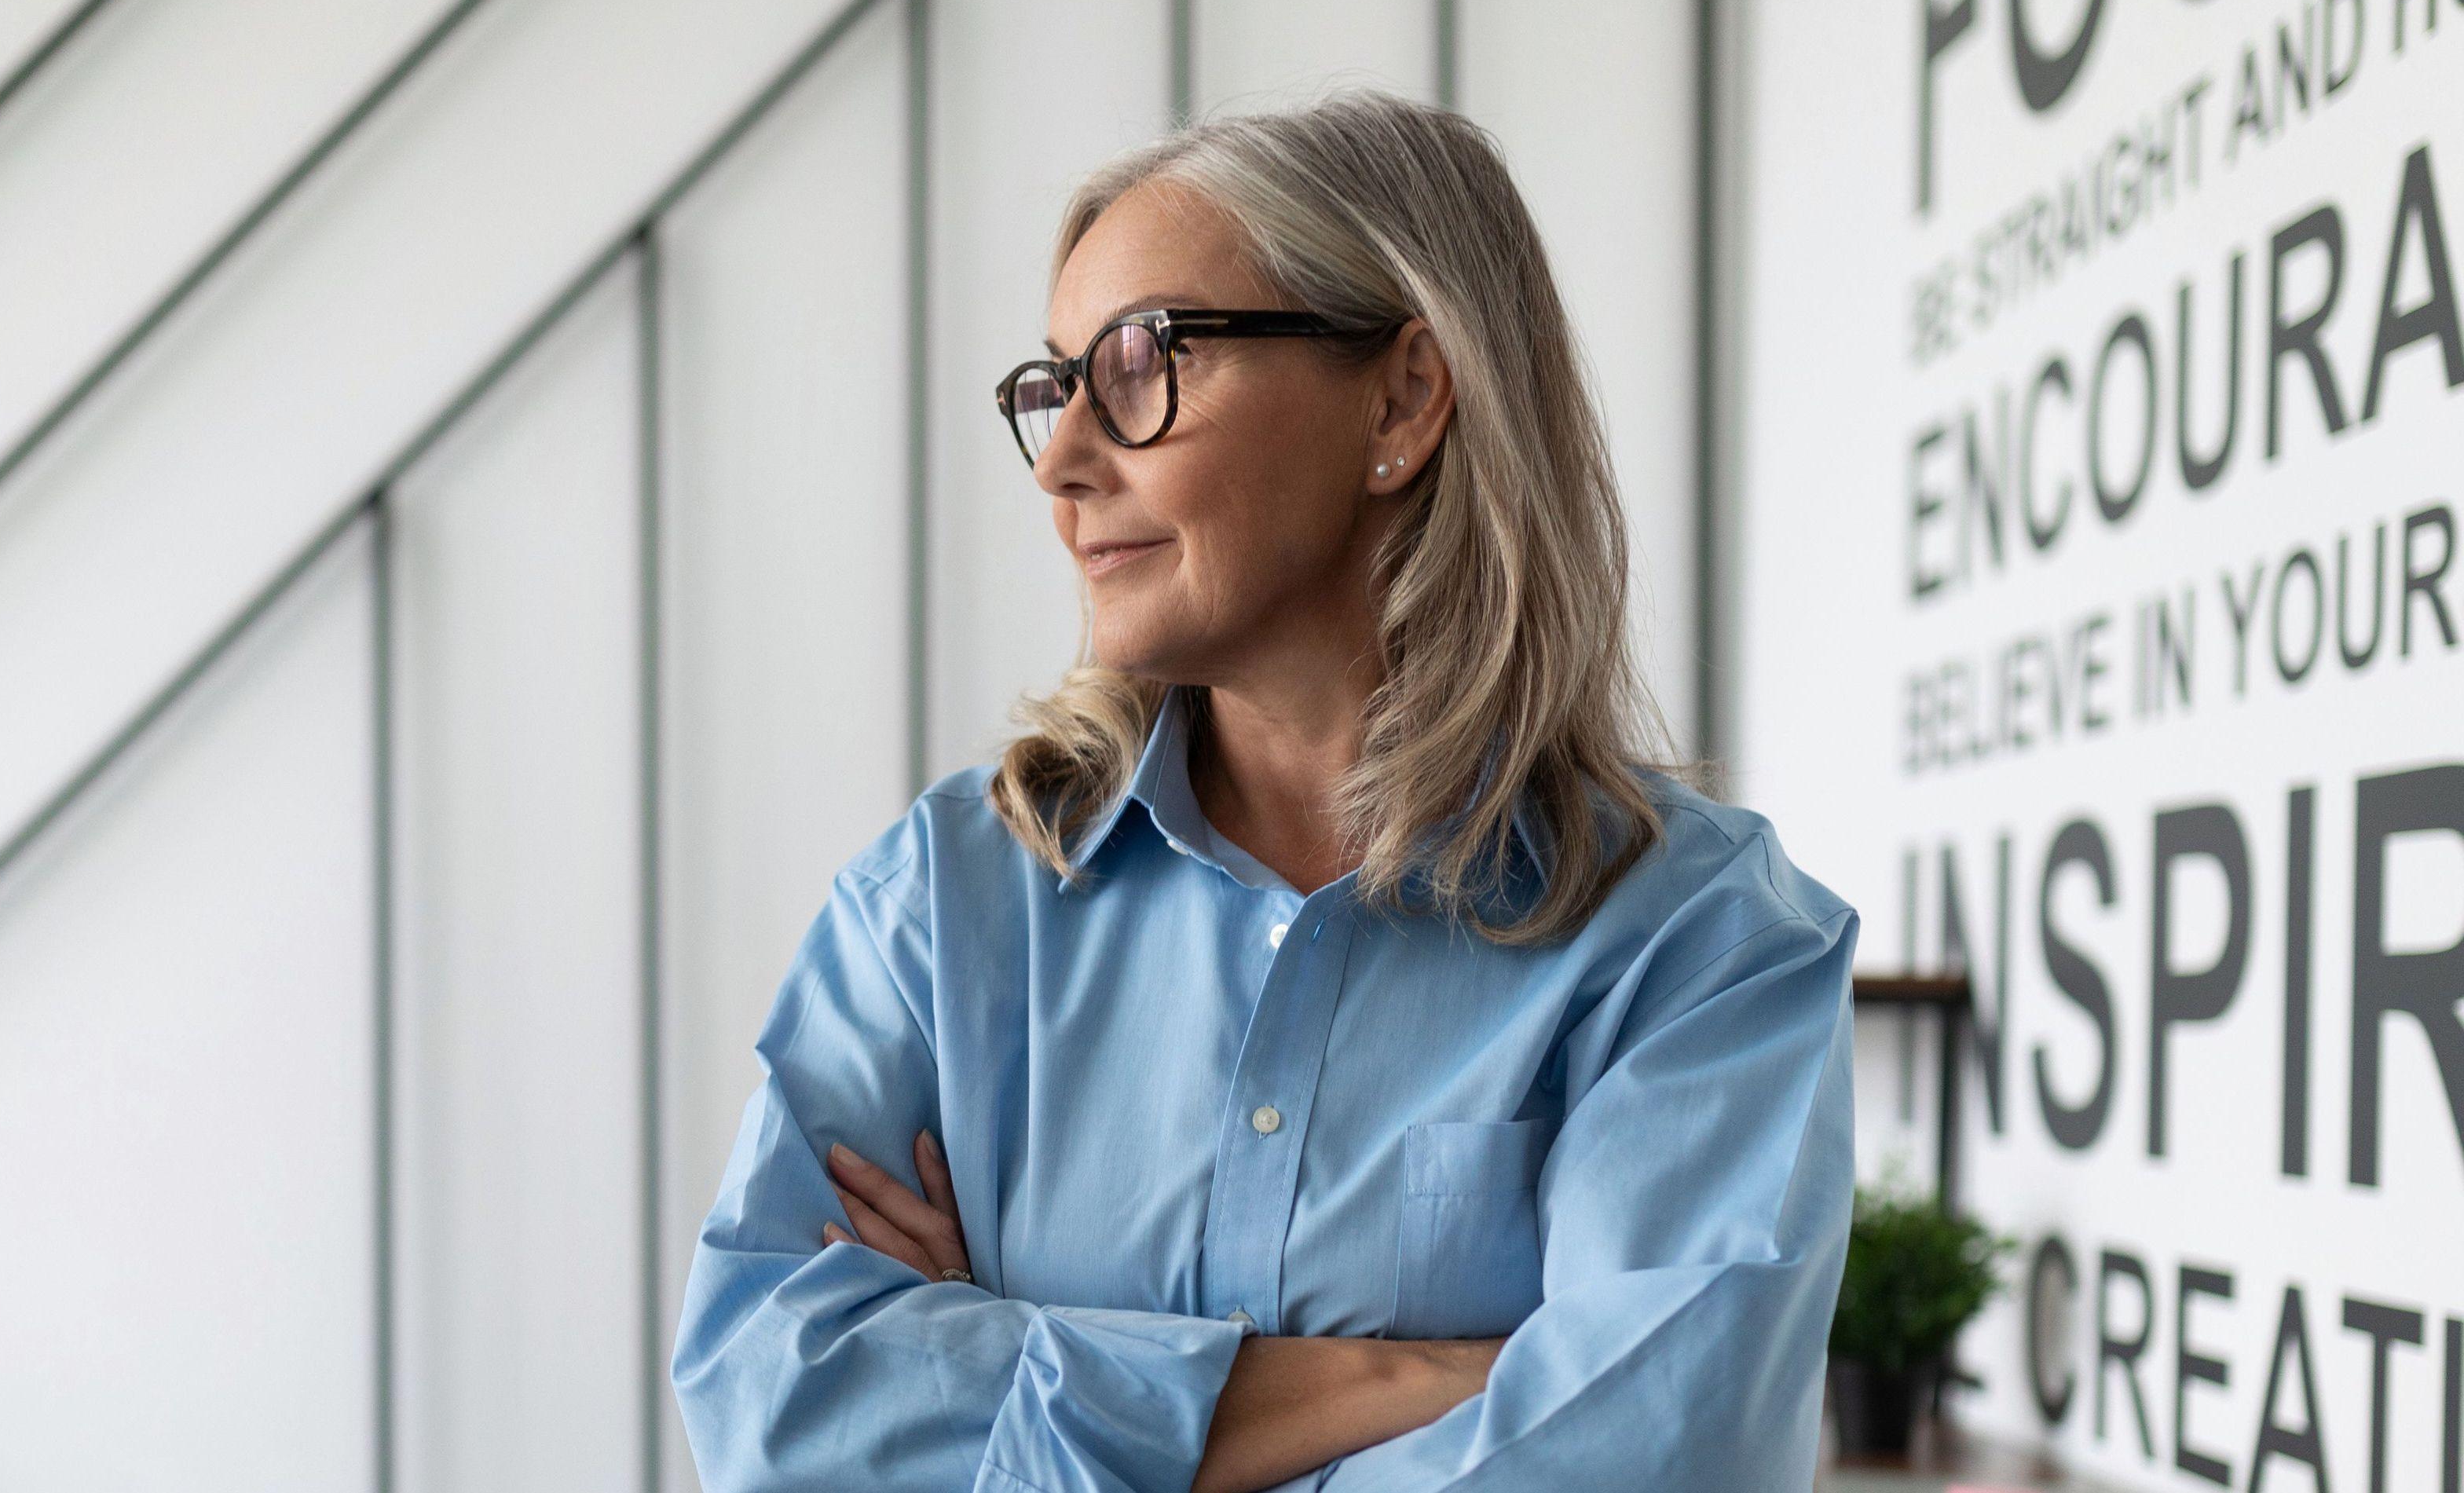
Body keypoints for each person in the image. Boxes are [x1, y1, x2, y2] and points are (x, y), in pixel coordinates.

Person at [669, 88, 1859, 1491]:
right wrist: (1426, 1377)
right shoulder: (939, 906)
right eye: (1057, 386)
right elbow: (773, 1405)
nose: (1064, 464)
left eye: (1142, 362)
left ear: (1402, 399)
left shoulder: (1703, 945)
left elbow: (1655, 1462)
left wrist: (1007, 1363)